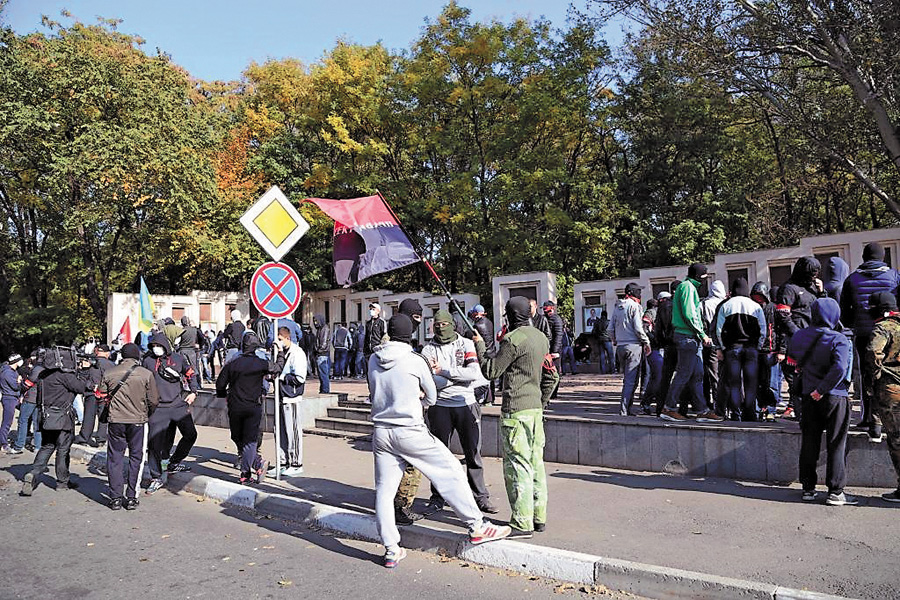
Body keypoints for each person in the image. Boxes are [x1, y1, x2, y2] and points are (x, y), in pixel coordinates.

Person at [369, 314, 511, 568]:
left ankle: (391, 549)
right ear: (410, 333)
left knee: (384, 490)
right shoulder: (415, 360)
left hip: (381, 432)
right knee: (452, 470)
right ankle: (476, 526)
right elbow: (432, 396)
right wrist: (418, 403)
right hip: (409, 430)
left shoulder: (373, 359)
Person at [474, 296, 556, 538]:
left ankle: (521, 522)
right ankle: (538, 517)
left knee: (517, 467)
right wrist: (540, 402)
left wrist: (479, 345)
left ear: (510, 315)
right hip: (535, 410)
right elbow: (552, 376)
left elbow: (491, 370)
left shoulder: (513, 340)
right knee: (535, 465)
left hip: (516, 412)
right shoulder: (541, 337)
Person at [421, 310, 497, 514]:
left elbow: (473, 373)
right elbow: (430, 381)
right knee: (439, 455)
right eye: (437, 324)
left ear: (452, 325)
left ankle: (480, 497)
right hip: (440, 407)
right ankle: (438, 497)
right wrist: (455, 376)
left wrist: (443, 371)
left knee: (473, 453)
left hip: (466, 404)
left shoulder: (466, 344)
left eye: (445, 324)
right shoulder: (428, 350)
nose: (440, 327)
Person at [787, 298, 855, 506]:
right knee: (836, 443)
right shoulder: (840, 339)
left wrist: (813, 388)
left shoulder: (799, 336)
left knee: (809, 442)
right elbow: (840, 369)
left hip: (808, 396)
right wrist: (822, 389)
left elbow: (792, 360)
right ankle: (835, 491)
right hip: (835, 396)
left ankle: (808, 488)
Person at [841, 242, 900, 441]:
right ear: (882, 257)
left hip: (865, 333)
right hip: (892, 332)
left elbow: (845, 311)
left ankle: (869, 420)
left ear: (865, 257)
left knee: (869, 376)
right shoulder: (894, 276)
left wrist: (857, 324)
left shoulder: (852, 279)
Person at [21, 348, 93, 496]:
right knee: (62, 450)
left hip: (46, 416)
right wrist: (85, 371)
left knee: (47, 446)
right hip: (62, 417)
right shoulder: (64, 376)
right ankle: (62, 482)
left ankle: (33, 473)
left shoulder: (43, 375)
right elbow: (81, 387)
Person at [98, 343, 159, 510]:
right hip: (138, 421)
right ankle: (131, 497)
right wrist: (145, 412)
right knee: (136, 459)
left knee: (114, 458)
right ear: (137, 356)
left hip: (115, 421)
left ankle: (115, 498)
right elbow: (154, 400)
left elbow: (101, 395)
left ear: (122, 356)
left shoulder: (110, 373)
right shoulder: (146, 374)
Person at [660, 264, 723, 423]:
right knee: (684, 374)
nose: (704, 281)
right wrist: (702, 334)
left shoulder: (685, 286)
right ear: (698, 276)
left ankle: (702, 410)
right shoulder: (688, 288)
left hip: (688, 337)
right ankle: (669, 408)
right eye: (703, 277)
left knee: (697, 375)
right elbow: (690, 314)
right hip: (688, 337)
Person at [216, 332, 277, 484]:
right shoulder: (261, 363)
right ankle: (257, 463)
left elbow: (220, 383)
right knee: (249, 440)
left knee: (238, 437)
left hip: (235, 406)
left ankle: (246, 473)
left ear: (242, 346)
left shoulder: (233, 363)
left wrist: (223, 394)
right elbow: (276, 368)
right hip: (253, 406)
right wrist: (280, 353)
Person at [142, 331, 199, 495]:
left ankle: (174, 462)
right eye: (153, 346)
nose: (156, 349)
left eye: (159, 346)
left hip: (177, 405)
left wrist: (193, 392)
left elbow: (190, 374)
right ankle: (156, 477)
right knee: (154, 445)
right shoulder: (147, 361)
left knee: (190, 435)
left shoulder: (178, 359)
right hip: (157, 408)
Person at [776, 257, 826, 420]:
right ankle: (800, 415)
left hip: (815, 339)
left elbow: (824, 307)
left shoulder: (813, 287)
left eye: (815, 274)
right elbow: (783, 317)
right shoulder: (788, 289)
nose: (813, 277)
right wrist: (798, 335)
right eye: (810, 274)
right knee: (796, 380)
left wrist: (821, 292)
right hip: (796, 341)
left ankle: (813, 412)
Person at [714, 278, 767, 421]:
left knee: (734, 383)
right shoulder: (755, 306)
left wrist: (722, 347)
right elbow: (763, 330)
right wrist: (758, 346)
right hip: (751, 349)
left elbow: (718, 330)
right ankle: (750, 414)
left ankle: (735, 414)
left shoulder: (725, 305)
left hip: (732, 349)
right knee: (751, 383)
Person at [864, 292, 900, 502]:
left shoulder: (883, 327)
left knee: (896, 440)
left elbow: (872, 351)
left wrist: (877, 374)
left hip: (891, 389)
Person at [269, 326, 307, 478]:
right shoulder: (279, 353)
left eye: (280, 339)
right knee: (280, 431)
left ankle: (296, 463)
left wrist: (281, 377)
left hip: (291, 397)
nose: (278, 343)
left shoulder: (297, 353)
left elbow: (299, 378)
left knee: (293, 432)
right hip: (280, 395)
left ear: (287, 338)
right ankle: (283, 462)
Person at [611, 283, 651, 416]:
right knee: (631, 380)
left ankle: (626, 408)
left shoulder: (617, 306)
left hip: (621, 347)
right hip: (633, 346)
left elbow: (610, 328)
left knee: (627, 379)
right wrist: (646, 342)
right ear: (635, 293)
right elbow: (638, 328)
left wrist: (615, 340)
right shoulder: (635, 307)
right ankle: (624, 410)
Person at [74, 345, 116, 448]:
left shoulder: (89, 363)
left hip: (90, 393)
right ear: (107, 353)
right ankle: (101, 439)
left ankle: (84, 437)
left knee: (89, 416)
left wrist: (91, 385)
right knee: (103, 417)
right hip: (105, 394)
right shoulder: (111, 364)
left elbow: (82, 378)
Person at [751, 282, 779, 421]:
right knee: (757, 382)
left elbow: (780, 331)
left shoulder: (773, 309)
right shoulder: (752, 309)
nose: (758, 299)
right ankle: (759, 408)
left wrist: (782, 350)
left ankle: (771, 409)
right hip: (757, 351)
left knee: (772, 383)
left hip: (771, 350)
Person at [700, 280, 727, 415]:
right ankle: (720, 403)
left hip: (707, 342)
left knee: (707, 374)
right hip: (722, 343)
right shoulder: (724, 304)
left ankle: (707, 401)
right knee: (720, 374)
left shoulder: (703, 303)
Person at [640, 292, 669, 415]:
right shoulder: (651, 313)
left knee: (660, 377)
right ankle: (646, 401)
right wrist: (655, 339)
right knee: (657, 377)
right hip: (654, 348)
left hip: (661, 347)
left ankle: (657, 401)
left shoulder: (664, 311)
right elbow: (645, 328)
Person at [11, 350, 44, 453]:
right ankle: (38, 446)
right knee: (37, 423)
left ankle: (19, 445)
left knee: (23, 420)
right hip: (40, 399)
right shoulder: (47, 368)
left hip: (30, 398)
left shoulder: (37, 369)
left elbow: (27, 384)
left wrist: (20, 384)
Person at [465, 304, 497, 404]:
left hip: (483, 353)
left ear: (476, 313)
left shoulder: (477, 326)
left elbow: (468, 336)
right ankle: (491, 399)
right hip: (492, 351)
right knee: (490, 376)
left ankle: (487, 400)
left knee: (483, 377)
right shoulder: (489, 322)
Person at [1, 353, 23, 452]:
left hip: (14, 397)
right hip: (9, 398)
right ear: (15, 361)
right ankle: (4, 444)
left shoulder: (13, 371)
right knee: (7, 422)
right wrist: (18, 381)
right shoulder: (7, 373)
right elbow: (15, 386)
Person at [364, 303, 387, 374]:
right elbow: (366, 336)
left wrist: (381, 347)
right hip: (368, 350)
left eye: (373, 309)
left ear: (378, 311)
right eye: (370, 309)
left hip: (377, 349)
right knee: (368, 370)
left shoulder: (381, 322)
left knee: (376, 370)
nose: (371, 311)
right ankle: (369, 384)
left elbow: (385, 336)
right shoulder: (368, 323)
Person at [312, 314, 331, 394]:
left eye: (316, 321)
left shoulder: (324, 329)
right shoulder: (320, 329)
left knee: (323, 373)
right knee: (322, 373)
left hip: (322, 354)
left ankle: (325, 390)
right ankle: (323, 389)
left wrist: (318, 350)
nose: (315, 323)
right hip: (321, 354)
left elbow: (323, 343)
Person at [593, 310, 614, 374]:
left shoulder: (597, 322)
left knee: (602, 355)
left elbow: (594, 332)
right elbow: (612, 331)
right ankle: (612, 370)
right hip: (607, 340)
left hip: (600, 340)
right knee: (610, 356)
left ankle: (603, 371)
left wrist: (597, 337)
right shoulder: (608, 322)